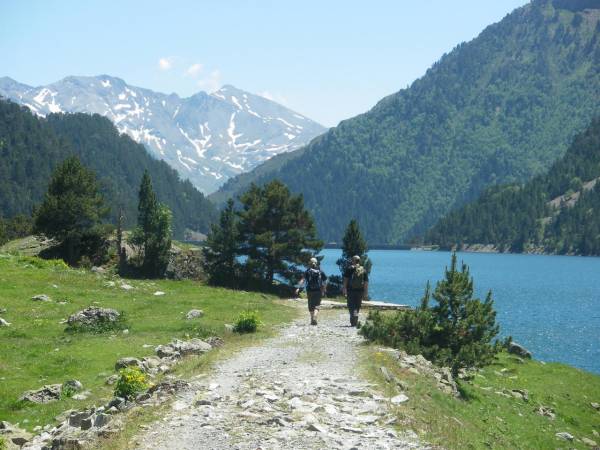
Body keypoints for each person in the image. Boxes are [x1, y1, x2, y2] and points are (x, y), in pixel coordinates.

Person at [295, 257, 327, 325]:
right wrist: (324, 290)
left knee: (311, 305)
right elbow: (325, 281)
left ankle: (312, 318)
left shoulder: (307, 271)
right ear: (316, 263)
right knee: (317, 304)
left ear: (310, 263)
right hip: (318, 290)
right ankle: (315, 316)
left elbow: (303, 280)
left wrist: (298, 287)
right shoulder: (320, 271)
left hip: (310, 290)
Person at [342, 255, 369, 327]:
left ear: (353, 261)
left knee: (351, 306)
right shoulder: (363, 269)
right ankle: (355, 318)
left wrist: (344, 288)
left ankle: (353, 319)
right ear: (359, 261)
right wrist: (365, 292)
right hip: (360, 291)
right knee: (357, 306)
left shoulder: (349, 269)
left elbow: (346, 279)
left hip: (351, 290)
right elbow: (366, 282)